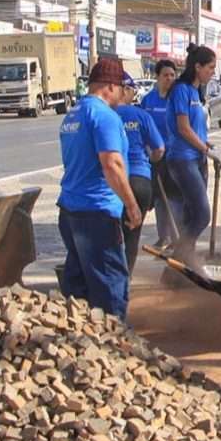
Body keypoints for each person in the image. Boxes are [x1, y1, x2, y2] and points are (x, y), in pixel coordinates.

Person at [57, 59, 139, 319]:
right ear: (111, 86)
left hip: (70, 211)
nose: (122, 95)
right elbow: (112, 164)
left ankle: (82, 339)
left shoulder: (73, 114)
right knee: (110, 287)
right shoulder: (105, 116)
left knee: (79, 288)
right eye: (122, 88)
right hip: (97, 213)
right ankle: (114, 338)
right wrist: (131, 205)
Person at [166, 44, 221, 268]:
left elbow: (197, 131)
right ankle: (178, 259)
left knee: (191, 216)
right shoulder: (181, 90)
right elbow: (183, 128)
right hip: (183, 158)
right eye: (210, 67)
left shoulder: (196, 92)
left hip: (197, 158)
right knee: (202, 215)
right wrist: (207, 150)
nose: (213, 72)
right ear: (197, 67)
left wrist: (212, 147)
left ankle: (182, 267)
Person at [115, 72, 165, 275]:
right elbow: (159, 149)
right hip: (140, 179)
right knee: (132, 236)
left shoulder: (106, 115)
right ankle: (125, 280)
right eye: (132, 90)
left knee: (112, 235)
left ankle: (112, 278)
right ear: (125, 90)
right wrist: (150, 161)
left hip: (114, 181)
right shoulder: (141, 115)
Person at [140, 59, 179, 254]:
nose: (169, 79)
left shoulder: (177, 99)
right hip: (155, 156)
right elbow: (141, 127)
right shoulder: (148, 100)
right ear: (157, 77)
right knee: (159, 199)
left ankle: (177, 238)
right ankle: (163, 237)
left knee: (174, 198)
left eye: (172, 75)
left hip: (175, 156)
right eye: (165, 75)